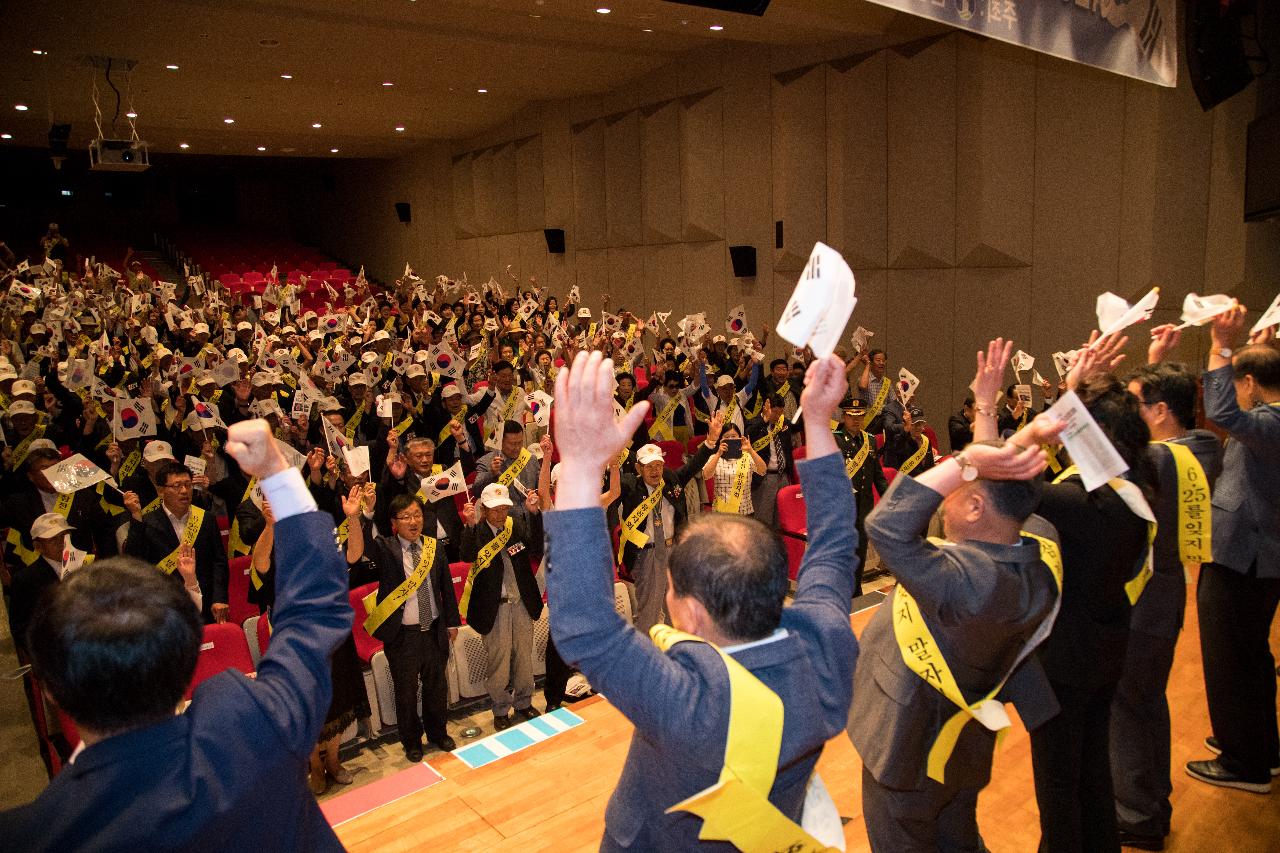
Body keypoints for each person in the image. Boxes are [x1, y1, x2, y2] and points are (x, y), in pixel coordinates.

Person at [545, 350, 859, 851]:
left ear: (690, 613)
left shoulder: (688, 702)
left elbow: (587, 626)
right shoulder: (826, 648)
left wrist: (580, 466)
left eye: (672, 587)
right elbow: (836, 544)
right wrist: (820, 423)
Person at [0, 418, 353, 851]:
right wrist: (277, 472)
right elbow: (315, 604)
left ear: (52, 690)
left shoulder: (34, 836)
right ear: (187, 655)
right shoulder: (252, 722)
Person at [850, 391, 1064, 853]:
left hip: (909, 749)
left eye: (954, 492)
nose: (942, 502)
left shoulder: (964, 585)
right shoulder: (1037, 548)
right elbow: (1003, 495)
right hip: (961, 742)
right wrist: (989, 426)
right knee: (958, 837)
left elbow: (886, 526)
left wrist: (967, 461)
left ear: (973, 509)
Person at [982, 335, 1154, 852]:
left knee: (1059, 790)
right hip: (1107, 648)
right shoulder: (1134, 487)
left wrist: (989, 405)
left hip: (1064, 663)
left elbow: (996, 472)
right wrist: (1076, 390)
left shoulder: (1077, 506)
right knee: (1092, 776)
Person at [1112, 345, 1223, 848]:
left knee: (1128, 706)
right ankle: (1151, 802)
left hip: (1142, 596)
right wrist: (1159, 361)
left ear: (1159, 411)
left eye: (1136, 404)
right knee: (1147, 703)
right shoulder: (1200, 446)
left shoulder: (1154, 459)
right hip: (1168, 594)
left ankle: (1136, 815)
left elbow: (1096, 459)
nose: (1129, 414)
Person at [1185, 304, 1280, 795]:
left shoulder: (1270, 423)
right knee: (1252, 656)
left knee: (1229, 656)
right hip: (1257, 555)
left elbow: (1220, 412)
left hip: (1243, 555)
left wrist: (1220, 346)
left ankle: (1245, 763)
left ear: (1247, 383)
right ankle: (1260, 745)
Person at [367, 493, 461, 762]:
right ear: (394, 523)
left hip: (433, 630)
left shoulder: (434, 547)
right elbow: (362, 550)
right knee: (406, 692)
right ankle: (411, 741)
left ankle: (437, 732)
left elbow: (446, 589)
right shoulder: (386, 548)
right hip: (403, 636)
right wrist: (366, 515)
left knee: (436, 686)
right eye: (406, 516)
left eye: (417, 514)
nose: (413, 521)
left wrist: (452, 622)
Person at [614, 421, 720, 635]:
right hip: (646, 555)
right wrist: (612, 465)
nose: (655, 471)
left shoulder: (670, 479)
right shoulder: (629, 486)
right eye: (649, 466)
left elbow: (693, 466)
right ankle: (646, 659)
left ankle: (674, 651)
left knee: (676, 608)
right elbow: (609, 491)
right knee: (649, 612)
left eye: (659, 465)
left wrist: (710, 442)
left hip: (672, 551)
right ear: (638, 468)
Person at [460, 482, 544, 731]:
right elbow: (465, 555)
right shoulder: (477, 531)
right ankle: (500, 708)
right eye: (494, 510)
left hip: (520, 603)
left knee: (523, 657)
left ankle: (524, 701)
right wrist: (469, 526)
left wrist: (533, 514)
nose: (500, 514)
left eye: (504, 509)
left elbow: (536, 547)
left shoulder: (514, 526)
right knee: (499, 659)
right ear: (483, 509)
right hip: (493, 608)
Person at [124, 459, 229, 624]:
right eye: (176, 486)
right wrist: (136, 516)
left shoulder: (205, 519)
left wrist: (220, 598)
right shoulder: (147, 522)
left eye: (188, 485)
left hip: (205, 602)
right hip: (165, 604)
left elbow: (219, 562)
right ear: (160, 491)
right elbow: (133, 561)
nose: (184, 491)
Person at [834, 398, 888, 593]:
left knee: (860, 551)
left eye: (860, 416)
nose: (856, 420)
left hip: (864, 505)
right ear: (844, 416)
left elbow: (878, 476)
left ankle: (856, 589)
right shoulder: (835, 439)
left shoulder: (870, 440)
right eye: (851, 416)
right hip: (842, 508)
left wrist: (889, 500)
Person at [747, 394, 794, 527]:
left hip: (783, 476)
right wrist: (764, 420)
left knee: (782, 520)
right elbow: (747, 435)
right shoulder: (754, 423)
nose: (778, 416)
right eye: (775, 412)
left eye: (780, 412)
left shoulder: (783, 423)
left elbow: (798, 426)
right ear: (765, 408)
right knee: (763, 521)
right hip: (764, 478)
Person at [702, 422, 766, 515]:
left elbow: (763, 470)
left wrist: (751, 450)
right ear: (721, 439)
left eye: (733, 436)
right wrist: (718, 453)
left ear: (740, 438)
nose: (730, 439)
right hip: (721, 513)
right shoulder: (714, 457)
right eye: (726, 437)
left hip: (745, 511)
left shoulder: (747, 456)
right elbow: (706, 475)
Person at [881, 406, 935, 476]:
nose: (919, 427)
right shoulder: (897, 441)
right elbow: (890, 466)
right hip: (905, 482)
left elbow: (930, 466)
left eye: (921, 423)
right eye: (915, 424)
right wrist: (904, 432)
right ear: (905, 425)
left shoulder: (926, 441)